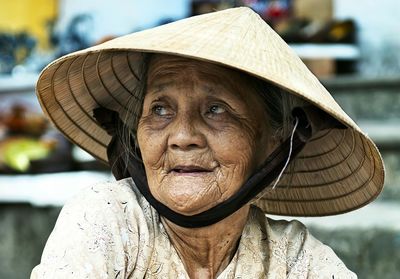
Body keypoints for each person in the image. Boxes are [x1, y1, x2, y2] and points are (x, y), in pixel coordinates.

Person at [31, 7, 384, 278]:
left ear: (274, 140)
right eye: (160, 109)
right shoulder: (107, 222)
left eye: (216, 110)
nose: (182, 137)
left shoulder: (296, 260)